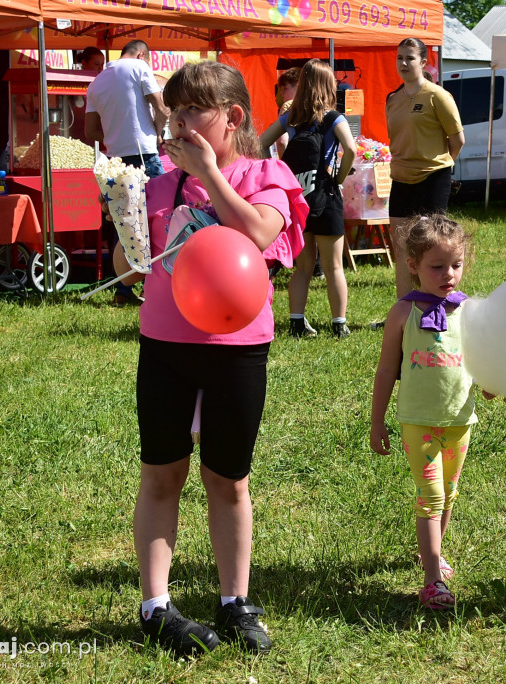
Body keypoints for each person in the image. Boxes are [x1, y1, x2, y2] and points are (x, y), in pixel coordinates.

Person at [111, 60, 308, 657]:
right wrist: (123, 221)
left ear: (233, 117)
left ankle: (235, 602)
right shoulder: (159, 184)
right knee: (162, 472)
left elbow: (256, 234)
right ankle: (155, 606)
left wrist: (211, 176)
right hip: (166, 345)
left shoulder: (264, 173)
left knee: (228, 479)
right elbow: (133, 269)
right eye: (172, 112)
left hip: (236, 348)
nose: (178, 121)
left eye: (192, 110)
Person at [370, 214, 494, 610]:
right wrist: (377, 420)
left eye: (455, 265)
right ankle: (432, 579)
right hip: (417, 421)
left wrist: (492, 381)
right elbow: (387, 369)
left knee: (450, 495)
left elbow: (482, 361)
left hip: (460, 420)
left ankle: (433, 552)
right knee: (431, 497)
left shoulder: (470, 311)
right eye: (436, 267)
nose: (448, 275)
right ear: (413, 266)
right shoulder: (402, 314)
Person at [260, 59, 356, 338]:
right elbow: (350, 148)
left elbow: (261, 143)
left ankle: (296, 322)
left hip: (297, 200)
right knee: (333, 265)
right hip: (326, 194)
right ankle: (339, 324)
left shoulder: (291, 118)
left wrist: (275, 174)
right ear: (329, 85)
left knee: (302, 267)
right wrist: (338, 179)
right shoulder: (332, 117)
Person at [86, 39, 170, 306]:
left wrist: (113, 138)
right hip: (144, 152)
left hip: (116, 158)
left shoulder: (96, 82)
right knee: (160, 217)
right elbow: (160, 106)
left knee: (123, 221)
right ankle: (158, 284)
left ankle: (123, 289)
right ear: (143, 54)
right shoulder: (139, 66)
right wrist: (159, 133)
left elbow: (90, 132)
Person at [386, 38, 465, 299]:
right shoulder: (393, 99)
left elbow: (457, 140)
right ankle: (404, 309)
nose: (404, 63)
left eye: (409, 57)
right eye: (400, 57)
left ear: (423, 62)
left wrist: (440, 167)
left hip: (433, 178)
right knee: (401, 249)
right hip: (400, 178)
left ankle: (435, 305)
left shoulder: (438, 96)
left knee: (432, 246)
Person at [271, 67, 300, 159]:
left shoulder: (287, 107)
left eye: (285, 88)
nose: (281, 93)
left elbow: (281, 142)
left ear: (298, 87)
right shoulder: (315, 108)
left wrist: (284, 166)